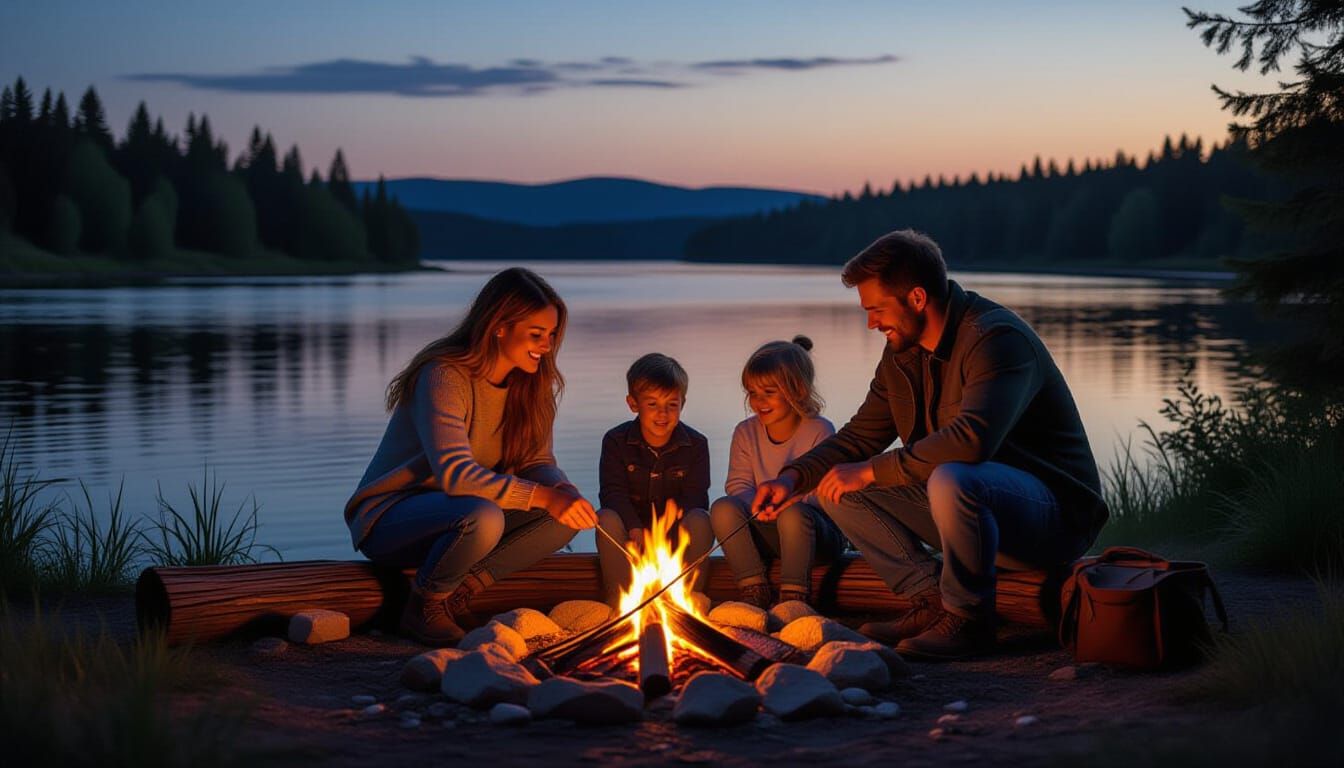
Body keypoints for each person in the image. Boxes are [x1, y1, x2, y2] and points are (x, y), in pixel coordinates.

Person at [753, 230, 1108, 660]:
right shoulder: (902, 353)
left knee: (952, 477)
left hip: (1051, 518)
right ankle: (931, 601)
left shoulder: (995, 339)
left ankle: (969, 621)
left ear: (917, 298)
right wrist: (793, 478)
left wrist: (871, 470)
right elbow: (861, 434)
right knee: (835, 487)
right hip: (974, 512)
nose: (871, 323)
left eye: (876, 309)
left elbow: (971, 440)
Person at [345, 267, 597, 646]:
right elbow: (456, 475)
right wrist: (544, 496)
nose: (547, 345)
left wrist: (562, 490)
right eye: (536, 334)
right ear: (499, 326)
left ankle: (458, 595)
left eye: (551, 334)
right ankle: (423, 607)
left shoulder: (531, 385)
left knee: (562, 519)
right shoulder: (443, 376)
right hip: (392, 519)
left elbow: (536, 463)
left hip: (466, 514)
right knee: (484, 516)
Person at [710, 336, 845, 608]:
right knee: (722, 508)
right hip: (766, 527)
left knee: (793, 515)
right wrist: (760, 506)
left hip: (814, 535)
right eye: (752, 393)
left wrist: (786, 503)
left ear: (797, 390)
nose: (758, 401)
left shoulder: (819, 430)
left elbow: (825, 492)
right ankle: (754, 589)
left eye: (769, 392)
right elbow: (737, 485)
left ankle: (794, 598)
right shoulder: (745, 432)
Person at [596, 353, 713, 607]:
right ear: (633, 403)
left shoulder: (696, 444)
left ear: (683, 403)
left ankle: (689, 599)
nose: (663, 413)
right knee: (605, 518)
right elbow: (612, 493)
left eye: (672, 404)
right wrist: (635, 529)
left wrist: (664, 535)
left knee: (701, 519)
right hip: (631, 536)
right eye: (652, 404)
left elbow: (695, 497)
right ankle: (619, 602)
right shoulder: (615, 441)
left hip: (675, 539)